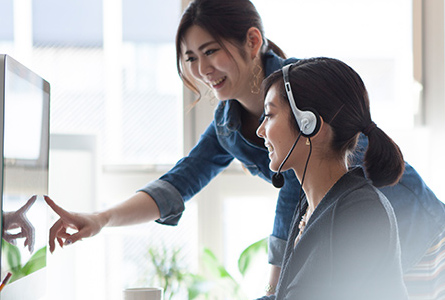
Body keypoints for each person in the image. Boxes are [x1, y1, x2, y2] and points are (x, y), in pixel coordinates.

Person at [44, 0, 445, 297]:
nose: (202, 70)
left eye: (210, 51)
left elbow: (295, 193)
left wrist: (274, 288)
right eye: (190, 59)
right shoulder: (228, 122)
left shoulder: (309, 95)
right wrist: (100, 219)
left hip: (413, 233)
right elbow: (181, 180)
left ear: (253, 41)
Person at [255, 57, 408, 299]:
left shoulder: (360, 212)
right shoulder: (308, 208)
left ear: (310, 125)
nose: (260, 130)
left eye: (270, 115)